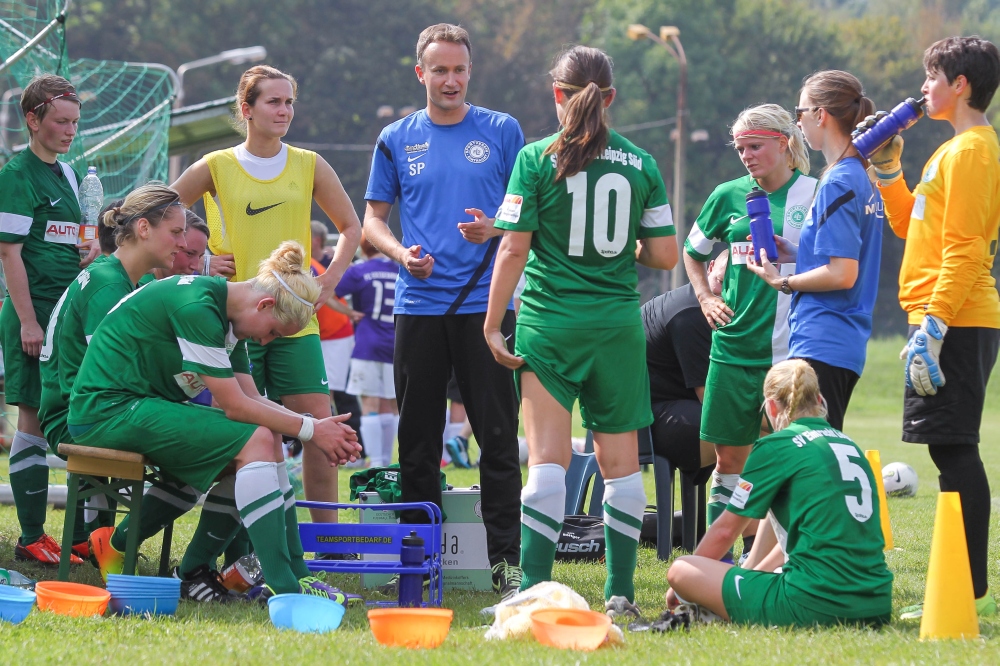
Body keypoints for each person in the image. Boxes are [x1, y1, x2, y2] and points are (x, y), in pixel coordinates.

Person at [486, 45, 678, 618]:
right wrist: (620, 248)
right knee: (621, 465)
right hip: (617, 327)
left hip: (550, 326)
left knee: (547, 463)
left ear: (556, 93)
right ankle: (620, 597)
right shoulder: (641, 162)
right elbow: (666, 254)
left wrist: (494, 324)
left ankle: (532, 595)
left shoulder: (537, 157)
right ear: (611, 98)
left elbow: (513, 248)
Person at [68, 241, 361, 600]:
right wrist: (314, 429)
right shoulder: (199, 307)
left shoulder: (226, 311)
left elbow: (253, 399)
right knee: (256, 439)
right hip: (105, 412)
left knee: (263, 439)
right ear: (265, 304)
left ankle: (194, 571)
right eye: (272, 332)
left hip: (136, 406)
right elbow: (236, 407)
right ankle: (286, 586)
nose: (264, 340)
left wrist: (315, 424)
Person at [363, 23, 525, 597]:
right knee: (418, 444)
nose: (450, 80)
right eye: (439, 70)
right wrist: (399, 253)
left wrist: (496, 227)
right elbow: (373, 221)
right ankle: (419, 562)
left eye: (458, 70)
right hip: (420, 306)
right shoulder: (395, 137)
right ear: (421, 74)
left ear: (469, 72)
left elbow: (527, 210)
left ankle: (507, 564)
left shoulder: (503, 130)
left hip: (486, 307)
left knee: (498, 438)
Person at [172, 65, 361, 524]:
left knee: (321, 429)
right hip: (238, 325)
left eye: (290, 102)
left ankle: (328, 544)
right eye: (274, 102)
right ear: (246, 109)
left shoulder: (310, 163)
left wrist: (330, 278)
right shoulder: (217, 165)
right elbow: (161, 215)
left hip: (297, 321)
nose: (284, 111)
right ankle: (242, 543)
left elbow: (351, 227)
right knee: (248, 430)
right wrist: (200, 263)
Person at [868, 36, 1000, 617]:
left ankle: (964, 594)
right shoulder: (949, 152)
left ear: (960, 84)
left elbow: (968, 249)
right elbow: (909, 226)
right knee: (950, 451)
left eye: (932, 76)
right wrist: (889, 169)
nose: (923, 87)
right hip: (943, 318)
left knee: (955, 451)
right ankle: (961, 589)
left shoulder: (972, 150)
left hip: (958, 319)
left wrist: (936, 327)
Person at [665, 360, 893, 628]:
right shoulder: (850, 444)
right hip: (877, 603)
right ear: (819, 400)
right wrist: (749, 575)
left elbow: (726, 530)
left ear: (771, 407)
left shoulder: (775, 446)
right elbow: (791, 539)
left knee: (681, 569)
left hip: (814, 604)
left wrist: (679, 588)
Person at [682, 104, 817, 539]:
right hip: (732, 349)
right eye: (741, 148)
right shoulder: (727, 195)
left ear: (785, 143)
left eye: (755, 146)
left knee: (788, 458)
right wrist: (705, 296)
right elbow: (692, 251)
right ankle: (721, 563)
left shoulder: (814, 193)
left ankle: (779, 561)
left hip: (788, 351)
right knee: (728, 462)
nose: (747, 155)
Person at [38, 183, 187, 556]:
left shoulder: (127, 278)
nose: (181, 244)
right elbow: (121, 371)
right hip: (75, 415)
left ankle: (106, 542)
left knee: (198, 436)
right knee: (201, 445)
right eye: (176, 232)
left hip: (88, 405)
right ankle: (115, 546)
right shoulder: (108, 284)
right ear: (143, 229)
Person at [747, 71, 883, 429]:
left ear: (820, 115)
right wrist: (796, 252)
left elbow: (842, 273)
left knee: (806, 452)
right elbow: (843, 254)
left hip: (823, 339)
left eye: (800, 111)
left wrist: (782, 282)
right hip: (841, 341)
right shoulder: (859, 175)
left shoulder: (838, 180)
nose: (798, 122)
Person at [0, 74, 91, 564]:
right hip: (32, 318)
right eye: (60, 121)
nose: (70, 130)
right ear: (33, 119)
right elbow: (10, 256)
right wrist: (29, 323)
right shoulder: (17, 174)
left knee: (80, 412)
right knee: (32, 419)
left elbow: (66, 241)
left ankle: (81, 534)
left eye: (75, 122)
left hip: (68, 317)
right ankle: (32, 534)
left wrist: (87, 250)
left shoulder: (70, 176)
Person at [643, 253, 726, 476]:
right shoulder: (691, 314)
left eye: (731, 285)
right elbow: (709, 399)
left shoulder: (700, 306)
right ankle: (738, 508)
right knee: (740, 432)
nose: (722, 292)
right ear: (709, 269)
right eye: (720, 281)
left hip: (665, 406)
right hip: (642, 421)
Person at [333, 233, 398, 469]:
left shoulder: (359, 271)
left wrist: (349, 313)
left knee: (369, 403)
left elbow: (329, 291)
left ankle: (376, 462)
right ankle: (390, 460)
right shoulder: (399, 269)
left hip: (368, 343)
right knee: (392, 404)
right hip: (395, 342)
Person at [308, 219, 364, 463]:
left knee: (339, 393)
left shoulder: (320, 264)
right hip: (322, 334)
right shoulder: (309, 262)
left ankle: (356, 448)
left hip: (337, 334)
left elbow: (324, 294)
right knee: (322, 393)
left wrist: (349, 314)